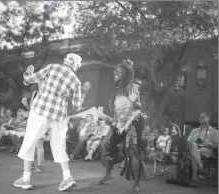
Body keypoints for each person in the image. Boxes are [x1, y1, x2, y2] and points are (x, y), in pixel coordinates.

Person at [13, 53, 91, 191]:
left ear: (65, 61)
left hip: (40, 111)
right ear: (76, 66)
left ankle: (26, 179)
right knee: (59, 146)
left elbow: (29, 79)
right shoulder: (76, 81)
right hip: (59, 115)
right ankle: (67, 177)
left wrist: (28, 72)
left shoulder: (52, 67)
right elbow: (77, 106)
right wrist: (84, 93)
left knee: (30, 142)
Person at [98, 59, 144, 193]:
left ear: (127, 73)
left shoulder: (131, 86)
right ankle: (109, 173)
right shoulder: (116, 90)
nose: (116, 73)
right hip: (118, 125)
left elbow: (138, 107)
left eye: (119, 71)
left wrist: (136, 102)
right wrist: (112, 113)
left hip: (131, 124)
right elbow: (115, 110)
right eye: (115, 71)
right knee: (104, 145)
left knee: (132, 151)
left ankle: (136, 184)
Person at [187, 112, 218, 186]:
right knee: (193, 146)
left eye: (203, 117)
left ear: (208, 118)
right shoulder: (194, 131)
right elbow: (188, 142)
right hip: (194, 149)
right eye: (199, 117)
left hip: (208, 150)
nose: (200, 118)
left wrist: (209, 145)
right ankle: (200, 167)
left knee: (193, 154)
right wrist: (192, 144)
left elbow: (217, 146)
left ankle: (195, 178)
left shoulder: (215, 132)